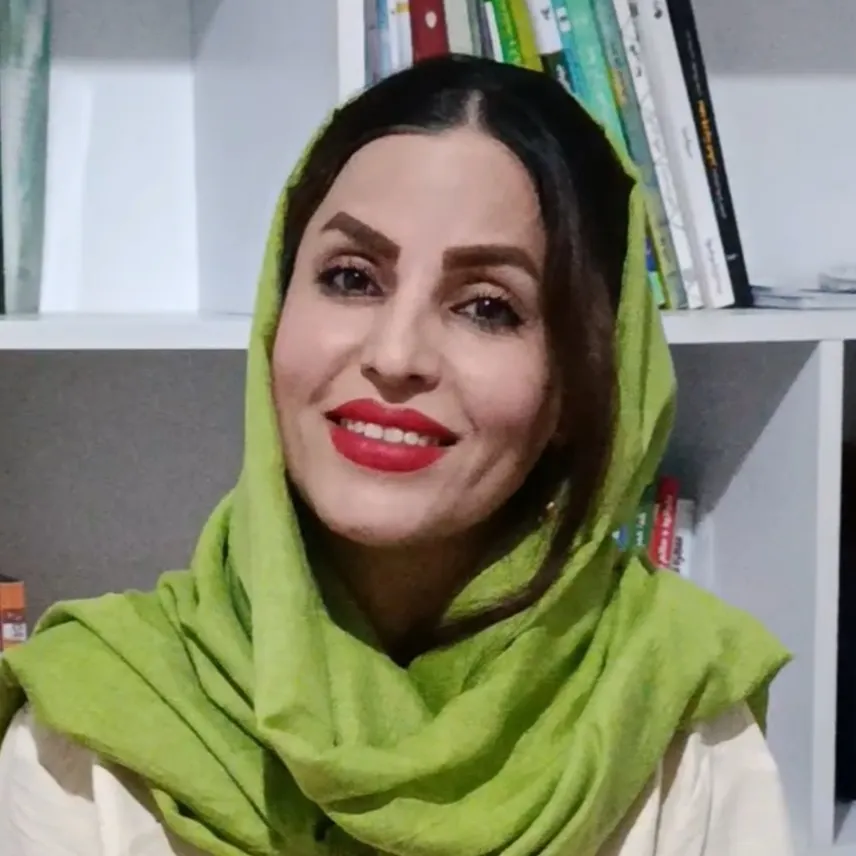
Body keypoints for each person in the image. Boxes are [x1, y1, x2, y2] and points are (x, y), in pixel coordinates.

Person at [0, 54, 794, 856]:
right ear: (277, 313)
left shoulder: (674, 710)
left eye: (488, 307)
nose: (395, 354)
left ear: (579, 386)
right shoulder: (95, 723)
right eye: (351, 279)